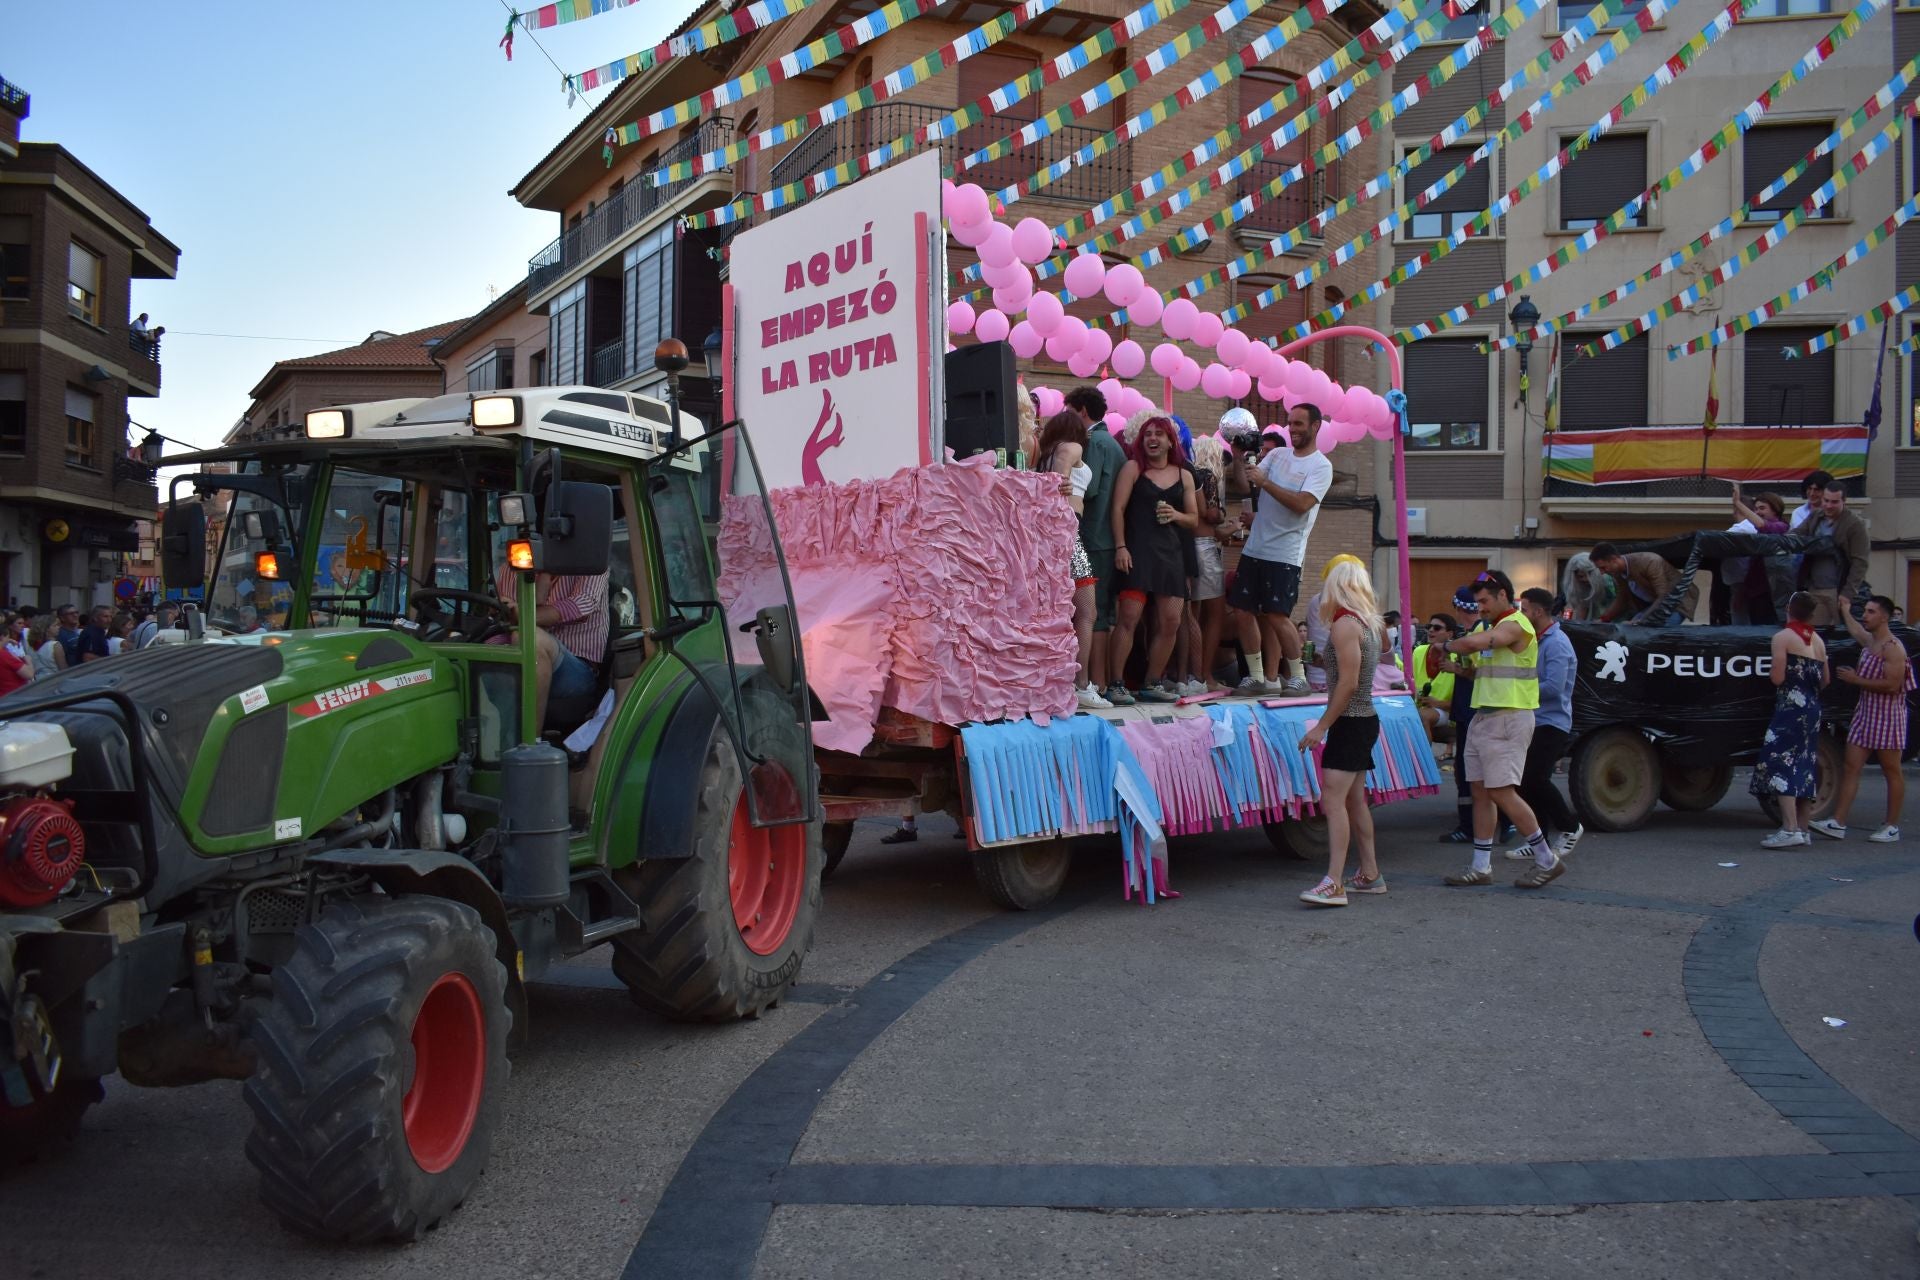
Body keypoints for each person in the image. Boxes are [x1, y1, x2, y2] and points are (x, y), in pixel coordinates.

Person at [1438, 570, 1566, 888]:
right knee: (1481, 792)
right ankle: (1481, 867)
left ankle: (1546, 859)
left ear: (1503, 596)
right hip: (1485, 717)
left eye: (1484, 601)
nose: (1480, 607)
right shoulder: (1494, 626)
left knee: (1500, 792)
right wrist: (1460, 670)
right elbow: (1484, 670)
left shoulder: (1515, 625)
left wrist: (1448, 645)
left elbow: (1474, 642)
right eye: (1477, 602)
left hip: (1509, 718)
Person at [1227, 402, 1334, 697]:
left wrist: (1267, 483)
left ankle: (1299, 678)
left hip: (1285, 553)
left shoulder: (1321, 466)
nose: (1293, 429)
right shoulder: (1276, 454)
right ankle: (1257, 677)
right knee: (1242, 610)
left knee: (1276, 615)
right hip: (1255, 547)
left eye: (1299, 424)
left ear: (1315, 427)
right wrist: (1238, 459)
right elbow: (1244, 483)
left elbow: (1302, 505)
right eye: (1290, 423)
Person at [1298, 560, 1387, 907]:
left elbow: (1348, 683)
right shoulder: (1366, 623)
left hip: (1350, 721)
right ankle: (1369, 873)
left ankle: (1334, 882)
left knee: (1333, 802)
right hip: (1362, 718)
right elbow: (1353, 674)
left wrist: (1322, 726)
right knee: (1354, 800)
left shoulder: (1344, 624)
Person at [1109, 416, 1198, 704]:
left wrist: (1176, 516)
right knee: (1129, 619)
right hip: (1137, 554)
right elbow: (1117, 509)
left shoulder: (1184, 474)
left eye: (1159, 434)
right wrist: (1121, 547)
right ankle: (1116, 683)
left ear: (1171, 441)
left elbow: (1194, 519)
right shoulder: (1133, 468)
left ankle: (1152, 682)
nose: (1153, 439)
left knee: (1171, 622)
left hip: (1171, 557)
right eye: (1148, 434)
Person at [1811, 595, 1911, 843]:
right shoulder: (1871, 641)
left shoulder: (1893, 648)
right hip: (1865, 713)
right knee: (1851, 767)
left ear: (1885, 616)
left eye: (1871, 612)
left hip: (1888, 716)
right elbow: (1857, 632)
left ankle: (1891, 826)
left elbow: (1892, 685)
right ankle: (1838, 822)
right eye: (1865, 611)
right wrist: (1846, 611)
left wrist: (1857, 680)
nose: (1866, 616)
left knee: (1891, 770)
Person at [1505, 588, 1584, 860]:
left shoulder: (1558, 643)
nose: (1520, 614)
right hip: (1532, 719)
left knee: (1535, 778)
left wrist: (1517, 690)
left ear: (1538, 611)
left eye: (1524, 609)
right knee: (1526, 782)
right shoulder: (1533, 640)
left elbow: (1554, 686)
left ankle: (1570, 827)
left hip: (1552, 722)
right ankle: (1537, 840)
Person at [1036, 411, 1108, 710]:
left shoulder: (1042, 454)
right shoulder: (1071, 446)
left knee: (1059, 612)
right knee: (1086, 611)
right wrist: (1061, 484)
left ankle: (1063, 683)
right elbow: (1067, 458)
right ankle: (1081, 685)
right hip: (1068, 532)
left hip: (1051, 535)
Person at [1750, 592, 1828, 848]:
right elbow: (1825, 680)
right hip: (1813, 708)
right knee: (1805, 764)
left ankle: (1789, 828)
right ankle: (1803, 829)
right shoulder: (1817, 640)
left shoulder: (1782, 637)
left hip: (1790, 708)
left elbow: (1777, 677)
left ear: (1789, 609)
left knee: (1781, 762)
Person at [492, 560, 609, 728]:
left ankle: (530, 746)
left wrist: (520, 614)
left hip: (575, 671)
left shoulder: (592, 565)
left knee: (529, 638)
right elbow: (500, 620)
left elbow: (580, 605)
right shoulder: (510, 568)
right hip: (514, 665)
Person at [1067, 386, 1126, 699]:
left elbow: (1086, 490)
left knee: (1092, 613)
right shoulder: (1115, 444)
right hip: (1107, 538)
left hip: (1093, 536)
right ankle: (1099, 683)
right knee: (1102, 612)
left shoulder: (1094, 443)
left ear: (1082, 411)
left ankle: (1095, 683)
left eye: (1069, 411)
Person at [1187, 430, 1232, 692]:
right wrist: (1224, 517)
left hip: (1188, 547)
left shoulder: (1187, 476)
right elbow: (1212, 514)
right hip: (1205, 548)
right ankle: (1205, 675)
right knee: (1215, 614)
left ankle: (1191, 674)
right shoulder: (1207, 477)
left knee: (1192, 614)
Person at [1797, 481, 1869, 626]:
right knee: (1814, 635)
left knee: (1842, 636)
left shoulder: (1855, 524)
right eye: (1826, 500)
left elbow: (1860, 562)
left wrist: (1847, 593)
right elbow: (1796, 535)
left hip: (1838, 590)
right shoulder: (1815, 516)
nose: (1829, 505)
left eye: (1834, 502)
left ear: (1844, 501)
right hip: (1814, 587)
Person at [1727, 484, 1790, 626]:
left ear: (1775, 509)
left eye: (1762, 508)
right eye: (1755, 509)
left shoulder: (1781, 527)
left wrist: (1737, 503)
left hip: (1772, 593)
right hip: (1756, 591)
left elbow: (1763, 525)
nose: (1757, 512)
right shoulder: (1757, 533)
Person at [1593, 542, 1697, 624]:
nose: (1602, 572)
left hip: (1677, 603)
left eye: (1603, 567)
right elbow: (1622, 598)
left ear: (1614, 559)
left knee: (1653, 633)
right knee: (1632, 629)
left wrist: (1642, 621)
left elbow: (1664, 596)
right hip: (1657, 604)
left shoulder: (1650, 561)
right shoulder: (1617, 572)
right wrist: (1604, 619)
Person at [1412, 614, 1459, 761]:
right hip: (1419, 707)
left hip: (1448, 712)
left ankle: (1423, 762)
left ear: (1450, 634)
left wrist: (1436, 703)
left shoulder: (1457, 658)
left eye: (1437, 628)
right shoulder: (1419, 652)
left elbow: (1462, 702)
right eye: (1429, 627)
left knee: (1423, 715)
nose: (1431, 630)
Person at [0, 613, 31, 697]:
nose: (22, 626)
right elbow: (29, 674)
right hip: (11, 696)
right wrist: (29, 661)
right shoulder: (4, 654)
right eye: (19, 623)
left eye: (23, 623)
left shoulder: (23, 639)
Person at [27, 615, 67, 680]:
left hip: (38, 681)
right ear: (46, 629)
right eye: (55, 625)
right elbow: (63, 669)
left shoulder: (31, 646)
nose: (59, 627)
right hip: (54, 681)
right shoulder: (55, 645)